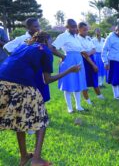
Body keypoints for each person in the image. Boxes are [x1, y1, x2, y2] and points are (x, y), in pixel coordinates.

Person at [0, 32, 80, 166]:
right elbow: (47, 79)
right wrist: (69, 71)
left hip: (2, 83)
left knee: (19, 119)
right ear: (46, 41)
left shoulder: (23, 46)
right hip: (21, 85)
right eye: (51, 41)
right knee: (41, 119)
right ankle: (36, 159)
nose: (52, 44)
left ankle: (24, 156)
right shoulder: (45, 51)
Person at [52, 19, 87, 113]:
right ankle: (69, 107)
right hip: (69, 62)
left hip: (78, 60)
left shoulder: (76, 36)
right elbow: (52, 48)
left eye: (75, 27)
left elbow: (81, 49)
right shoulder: (63, 36)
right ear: (67, 27)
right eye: (72, 27)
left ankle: (78, 106)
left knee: (78, 83)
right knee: (68, 84)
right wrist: (62, 56)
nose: (75, 29)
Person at [77, 22, 104, 105]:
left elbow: (94, 49)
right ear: (79, 30)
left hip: (91, 58)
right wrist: (93, 64)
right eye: (84, 30)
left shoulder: (88, 38)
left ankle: (99, 95)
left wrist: (89, 53)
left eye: (87, 29)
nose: (86, 31)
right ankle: (87, 100)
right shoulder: (77, 39)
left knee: (94, 77)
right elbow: (83, 54)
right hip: (84, 61)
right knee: (84, 80)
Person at [102, 24, 119, 100]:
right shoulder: (110, 38)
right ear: (115, 30)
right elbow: (104, 50)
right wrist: (105, 62)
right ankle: (116, 95)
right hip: (114, 61)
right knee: (115, 79)